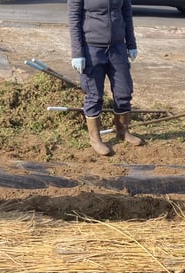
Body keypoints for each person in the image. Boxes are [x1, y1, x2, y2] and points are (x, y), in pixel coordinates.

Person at [68, 0, 143, 156]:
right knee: (94, 95)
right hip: (92, 49)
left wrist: (131, 43)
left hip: (117, 48)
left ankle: (123, 131)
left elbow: (126, 13)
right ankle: (95, 138)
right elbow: (74, 19)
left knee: (124, 91)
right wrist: (77, 53)